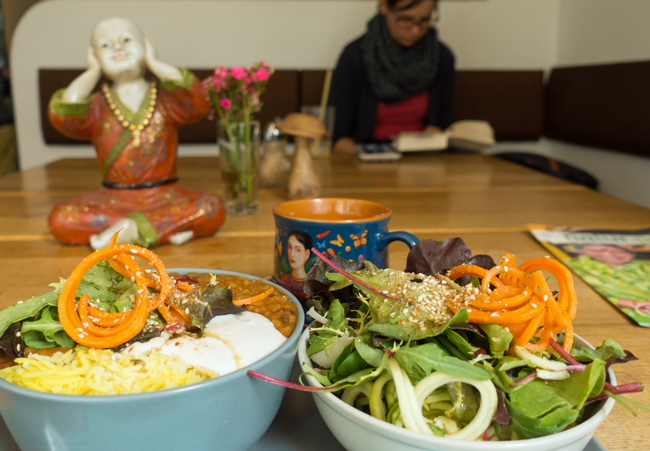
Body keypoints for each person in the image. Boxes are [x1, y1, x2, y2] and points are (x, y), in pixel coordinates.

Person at [48, 17, 225, 249]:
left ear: (144, 45)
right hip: (114, 201)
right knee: (61, 219)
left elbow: (199, 102)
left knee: (211, 208)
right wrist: (92, 72)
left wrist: (156, 64)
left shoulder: (166, 101)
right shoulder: (96, 107)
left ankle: (126, 232)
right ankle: (155, 230)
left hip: (166, 197)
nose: (117, 48)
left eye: (126, 40)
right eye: (105, 45)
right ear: (94, 55)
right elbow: (64, 116)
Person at [328, 0, 455, 154]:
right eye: (405, 19)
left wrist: (436, 136)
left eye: (424, 20)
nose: (415, 30)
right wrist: (368, 154)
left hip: (422, 159)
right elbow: (337, 138)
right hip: (367, 161)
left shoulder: (441, 57)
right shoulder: (355, 56)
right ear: (384, 6)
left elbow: (445, 126)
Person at [280, 230, 313, 298]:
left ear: (306, 254)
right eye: (290, 247)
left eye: (298, 250)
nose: (292, 254)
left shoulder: (313, 285)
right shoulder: (284, 279)